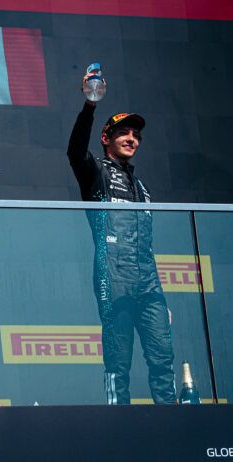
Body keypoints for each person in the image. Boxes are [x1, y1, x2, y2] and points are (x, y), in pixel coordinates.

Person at [66, 74, 176, 404]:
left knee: (163, 359)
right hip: (113, 278)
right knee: (118, 363)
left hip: (149, 284)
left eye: (136, 135)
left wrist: (160, 295)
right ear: (106, 138)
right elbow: (75, 151)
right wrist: (90, 104)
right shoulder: (96, 173)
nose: (132, 139)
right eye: (124, 133)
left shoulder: (143, 189)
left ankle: (174, 425)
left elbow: (146, 246)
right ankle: (120, 426)